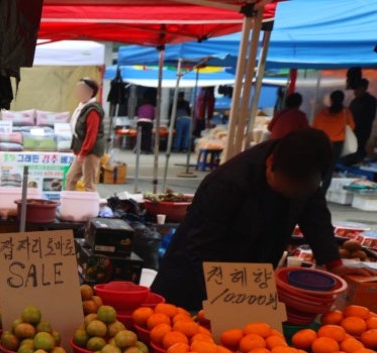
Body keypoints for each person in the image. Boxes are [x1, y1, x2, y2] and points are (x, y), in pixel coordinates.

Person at [152, 129, 361, 311]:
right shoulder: (227, 183)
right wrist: (222, 301)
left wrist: (334, 262)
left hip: (248, 280)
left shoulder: (306, 175)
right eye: (282, 188)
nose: (290, 195)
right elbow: (199, 248)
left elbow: (315, 216)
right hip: (192, 282)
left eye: (297, 193)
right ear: (270, 163)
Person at [65, 78, 104, 193]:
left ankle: (91, 210)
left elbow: (91, 134)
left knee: (89, 184)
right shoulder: (81, 107)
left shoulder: (92, 110)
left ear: (90, 92)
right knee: (70, 178)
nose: (78, 92)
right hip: (81, 150)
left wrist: (83, 153)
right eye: (78, 89)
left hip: (90, 151)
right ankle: (71, 205)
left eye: (81, 89)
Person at [312, 90, 355, 192]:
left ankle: (312, 190)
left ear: (330, 99)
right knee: (329, 169)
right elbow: (352, 126)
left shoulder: (322, 113)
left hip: (322, 142)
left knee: (317, 167)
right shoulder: (346, 112)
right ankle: (322, 193)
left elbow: (314, 127)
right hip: (337, 144)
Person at [346, 79, 377, 165]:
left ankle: (357, 162)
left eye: (357, 89)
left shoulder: (371, 101)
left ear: (364, 88)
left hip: (362, 131)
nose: (355, 92)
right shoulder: (354, 101)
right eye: (355, 90)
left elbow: (369, 117)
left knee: (359, 148)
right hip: (353, 130)